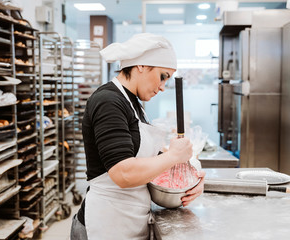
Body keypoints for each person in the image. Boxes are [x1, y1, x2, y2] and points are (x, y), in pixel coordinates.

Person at [70, 33, 205, 240]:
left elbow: (148, 159)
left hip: (127, 221)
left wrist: (193, 176)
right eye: (162, 76)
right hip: (105, 224)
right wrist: (172, 157)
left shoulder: (133, 104)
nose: (162, 87)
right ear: (141, 65)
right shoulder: (108, 101)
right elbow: (123, 174)